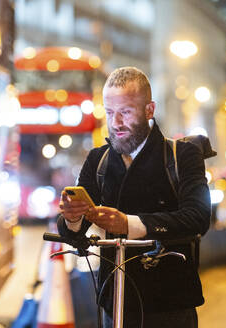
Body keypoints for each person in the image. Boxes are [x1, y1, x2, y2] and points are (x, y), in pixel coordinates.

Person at [57, 67, 210, 328]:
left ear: (149, 110)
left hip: (170, 305)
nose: (115, 122)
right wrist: (72, 219)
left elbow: (198, 217)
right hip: (115, 302)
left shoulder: (182, 156)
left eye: (125, 112)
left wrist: (128, 225)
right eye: (109, 112)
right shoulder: (98, 160)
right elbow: (73, 232)